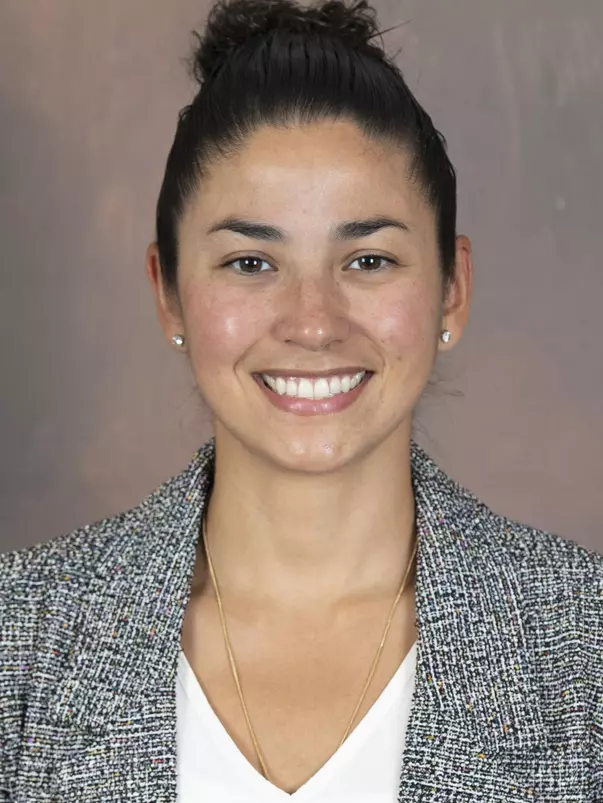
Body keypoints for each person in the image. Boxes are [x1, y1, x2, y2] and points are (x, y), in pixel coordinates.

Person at [2, 0, 602, 799]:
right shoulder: (23, 640)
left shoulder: (581, 646)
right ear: (169, 295)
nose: (312, 322)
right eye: (250, 263)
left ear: (452, 289)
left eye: (369, 260)